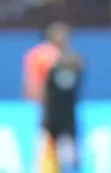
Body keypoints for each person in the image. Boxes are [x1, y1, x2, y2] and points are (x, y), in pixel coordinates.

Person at [23, 22, 80, 173]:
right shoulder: (60, 58)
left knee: (46, 151)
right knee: (58, 153)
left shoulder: (35, 54)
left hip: (44, 110)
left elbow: (30, 84)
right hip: (52, 112)